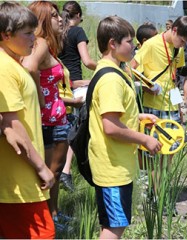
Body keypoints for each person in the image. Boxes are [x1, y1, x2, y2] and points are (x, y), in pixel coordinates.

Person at [90, 16, 161, 239]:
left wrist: (138, 116)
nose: (135, 45)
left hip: (116, 164)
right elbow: (110, 126)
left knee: (112, 223)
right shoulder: (111, 79)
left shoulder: (113, 71)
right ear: (113, 43)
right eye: (130, 41)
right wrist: (144, 139)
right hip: (113, 168)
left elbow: (114, 113)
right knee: (114, 227)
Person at [0, 2, 55, 238]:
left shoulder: (15, 64)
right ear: (6, 35)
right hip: (18, 179)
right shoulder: (4, 68)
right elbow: (11, 125)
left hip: (24, 175)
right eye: (28, 33)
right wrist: (42, 167)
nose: (34, 38)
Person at [22, 1, 74, 223]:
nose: (60, 19)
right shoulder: (41, 42)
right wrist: (41, 98)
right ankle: (49, 218)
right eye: (54, 15)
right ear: (42, 20)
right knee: (50, 172)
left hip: (55, 116)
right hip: (48, 119)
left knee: (54, 171)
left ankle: (54, 213)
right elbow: (29, 67)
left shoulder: (47, 45)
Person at [58, 0, 97, 192]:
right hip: (75, 84)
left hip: (60, 84)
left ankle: (62, 168)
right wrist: (108, 67)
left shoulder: (58, 31)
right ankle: (68, 169)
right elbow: (87, 61)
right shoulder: (77, 32)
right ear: (79, 16)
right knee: (80, 124)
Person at [131, 16, 187, 123]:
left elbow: (174, 79)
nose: (183, 45)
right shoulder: (151, 44)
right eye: (182, 41)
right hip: (154, 106)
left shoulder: (178, 48)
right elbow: (130, 70)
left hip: (172, 106)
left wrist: (178, 107)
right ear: (174, 30)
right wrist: (145, 87)